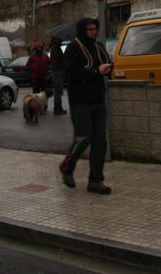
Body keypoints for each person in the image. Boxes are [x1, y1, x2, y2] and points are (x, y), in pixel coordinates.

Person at [59, 18, 113, 194]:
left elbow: (106, 63)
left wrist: (108, 69)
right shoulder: (73, 48)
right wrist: (96, 71)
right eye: (90, 29)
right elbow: (70, 72)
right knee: (83, 138)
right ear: (83, 30)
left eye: (95, 29)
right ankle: (67, 167)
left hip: (98, 100)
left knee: (100, 141)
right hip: (80, 101)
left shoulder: (98, 47)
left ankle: (96, 180)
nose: (93, 32)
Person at [48, 36, 67, 115]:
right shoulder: (55, 48)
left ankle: (58, 108)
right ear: (56, 40)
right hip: (57, 71)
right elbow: (58, 59)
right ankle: (57, 109)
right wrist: (64, 56)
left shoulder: (55, 48)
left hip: (57, 71)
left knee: (58, 91)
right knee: (58, 91)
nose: (61, 40)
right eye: (60, 39)